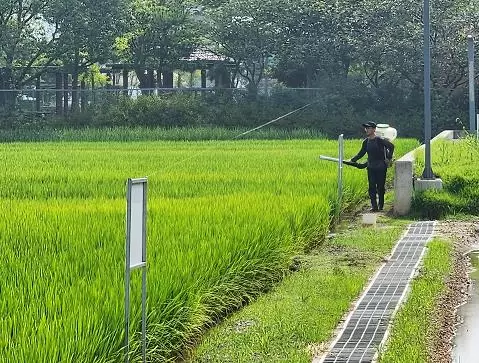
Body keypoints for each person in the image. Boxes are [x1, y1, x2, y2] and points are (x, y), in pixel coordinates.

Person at [350, 121, 395, 212]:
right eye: (366, 128)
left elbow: (391, 146)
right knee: (371, 187)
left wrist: (389, 158)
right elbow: (361, 153)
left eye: (369, 128)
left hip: (381, 167)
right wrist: (352, 160)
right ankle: (374, 206)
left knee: (380, 187)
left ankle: (381, 205)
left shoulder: (379, 140)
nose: (366, 130)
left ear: (374, 129)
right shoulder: (366, 142)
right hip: (371, 167)